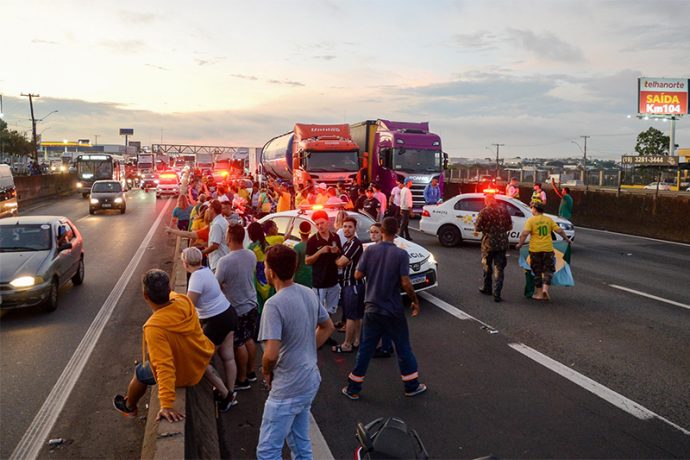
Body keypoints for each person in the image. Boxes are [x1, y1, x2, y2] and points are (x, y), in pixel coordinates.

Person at [256, 245, 335, 460]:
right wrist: (308, 347)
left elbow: (271, 355)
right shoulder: (307, 293)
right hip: (309, 379)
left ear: (271, 271)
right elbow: (328, 326)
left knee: (267, 451)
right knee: (300, 444)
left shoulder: (273, 305)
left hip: (287, 385)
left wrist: (266, 371)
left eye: (265, 266)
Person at [342, 217, 426, 400]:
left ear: (383, 231)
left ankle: (353, 388)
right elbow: (405, 282)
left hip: (371, 308)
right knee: (403, 348)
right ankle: (411, 385)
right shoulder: (401, 255)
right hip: (393, 309)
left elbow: (357, 274)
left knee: (365, 349)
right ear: (396, 232)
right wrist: (414, 300)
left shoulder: (370, 251)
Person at [113, 269, 215, 421]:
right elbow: (173, 296)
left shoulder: (154, 328)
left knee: (140, 372)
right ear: (169, 290)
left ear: (145, 296)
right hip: (199, 358)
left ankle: (130, 406)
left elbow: (164, 366)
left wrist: (166, 405)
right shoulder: (183, 301)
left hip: (184, 373)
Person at [182, 247, 238, 410]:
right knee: (228, 356)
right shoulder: (206, 271)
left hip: (216, 320)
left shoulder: (196, 278)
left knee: (200, 359)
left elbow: (188, 306)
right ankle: (231, 391)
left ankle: (225, 394)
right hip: (228, 313)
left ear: (185, 263)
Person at [216, 225, 260, 391]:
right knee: (249, 339)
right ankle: (251, 371)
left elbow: (216, 283)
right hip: (252, 303)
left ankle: (241, 380)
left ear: (228, 238)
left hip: (237, 308)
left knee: (239, 343)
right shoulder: (250, 254)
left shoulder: (225, 261)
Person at [516, 202, 572, 301]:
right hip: (548, 249)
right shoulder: (548, 220)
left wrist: (520, 244)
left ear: (535, 209)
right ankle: (545, 289)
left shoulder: (531, 220)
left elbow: (525, 233)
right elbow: (559, 231)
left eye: (532, 208)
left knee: (537, 271)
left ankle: (539, 293)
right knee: (548, 270)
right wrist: (566, 239)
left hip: (535, 249)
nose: (531, 209)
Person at [332, 217, 364, 353]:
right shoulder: (346, 244)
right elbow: (343, 260)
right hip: (350, 284)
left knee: (351, 316)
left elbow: (340, 263)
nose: (347, 229)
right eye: (344, 226)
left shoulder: (354, 244)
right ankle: (357, 341)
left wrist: (339, 260)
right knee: (356, 315)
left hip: (353, 284)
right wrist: (343, 260)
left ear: (355, 229)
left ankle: (347, 344)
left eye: (350, 227)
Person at [474, 191, 513, 302]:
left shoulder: (484, 212)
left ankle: (487, 288)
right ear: (495, 201)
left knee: (487, 266)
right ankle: (497, 293)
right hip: (502, 243)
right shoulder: (504, 211)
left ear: (486, 202)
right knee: (499, 268)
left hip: (489, 243)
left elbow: (478, 228)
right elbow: (509, 226)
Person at [305, 210, 342, 318]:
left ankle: (327, 334)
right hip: (319, 282)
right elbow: (307, 260)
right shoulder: (312, 240)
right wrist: (320, 252)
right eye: (317, 224)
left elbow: (340, 255)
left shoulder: (335, 237)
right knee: (319, 314)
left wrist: (337, 251)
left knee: (330, 312)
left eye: (322, 223)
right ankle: (319, 334)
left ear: (327, 222)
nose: (320, 226)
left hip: (333, 281)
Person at [247, 222, 271, 310]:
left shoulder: (251, 248)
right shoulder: (267, 244)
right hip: (268, 278)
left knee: (261, 308)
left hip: (257, 280)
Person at [201, 200, 229, 272]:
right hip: (223, 258)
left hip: (217, 261)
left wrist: (202, 252)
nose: (208, 211)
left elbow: (215, 245)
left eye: (209, 208)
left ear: (213, 209)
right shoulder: (223, 220)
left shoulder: (216, 224)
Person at [293, 221, 313, 288]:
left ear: (299, 232)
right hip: (311, 278)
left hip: (300, 279)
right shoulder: (314, 246)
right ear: (310, 232)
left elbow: (295, 265)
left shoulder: (297, 247)